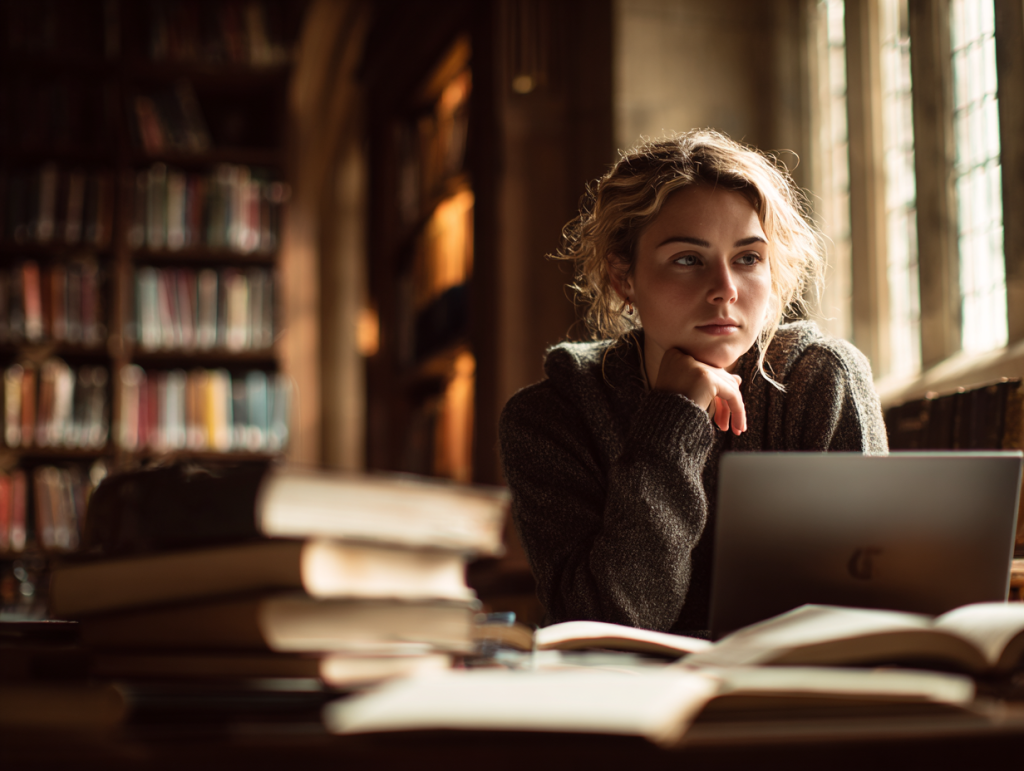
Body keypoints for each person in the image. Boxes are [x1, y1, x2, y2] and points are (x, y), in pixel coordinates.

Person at [498, 130, 888, 637]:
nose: (725, 290)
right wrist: (672, 419)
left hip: (799, 698)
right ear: (624, 277)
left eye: (748, 258)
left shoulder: (821, 379)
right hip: (628, 703)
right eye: (688, 259)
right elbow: (604, 626)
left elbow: (873, 603)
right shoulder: (552, 416)